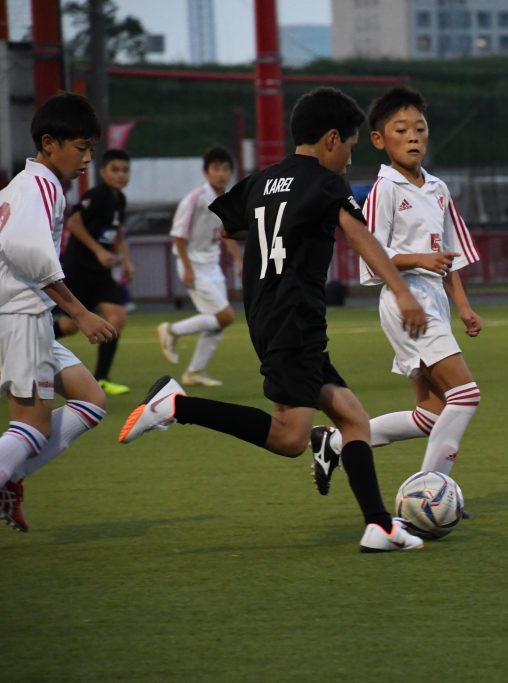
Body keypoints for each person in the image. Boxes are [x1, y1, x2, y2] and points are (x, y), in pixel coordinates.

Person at [119, 87, 430, 553]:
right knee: (289, 437)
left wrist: (272, 224)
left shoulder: (263, 180)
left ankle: (379, 526)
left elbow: (228, 226)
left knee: (353, 419)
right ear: (331, 139)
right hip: (295, 320)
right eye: (349, 145)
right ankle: (177, 406)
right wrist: (403, 292)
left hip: (268, 316)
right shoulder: (327, 184)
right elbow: (359, 234)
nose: (349, 157)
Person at [310, 86, 482, 499]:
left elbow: (449, 255)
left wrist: (463, 306)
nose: (413, 137)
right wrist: (418, 259)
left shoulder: (438, 189)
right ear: (378, 140)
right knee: (466, 395)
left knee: (431, 414)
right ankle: (429, 492)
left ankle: (331, 443)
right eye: (401, 130)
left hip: (434, 302)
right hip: (406, 301)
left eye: (420, 129)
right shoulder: (383, 189)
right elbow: (372, 260)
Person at [0, 92, 117, 532]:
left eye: (91, 149)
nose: (87, 159)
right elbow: (26, 251)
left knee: (91, 399)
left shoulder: (21, 185)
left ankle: (11, 475)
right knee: (31, 425)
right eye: (81, 148)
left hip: (27, 316)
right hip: (21, 315)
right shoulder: (42, 186)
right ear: (49, 143)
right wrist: (81, 313)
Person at [156, 146, 243, 387]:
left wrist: (238, 261)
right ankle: (172, 330)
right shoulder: (195, 198)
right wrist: (187, 267)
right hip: (193, 263)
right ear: (206, 172)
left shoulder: (226, 200)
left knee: (216, 323)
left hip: (212, 265)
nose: (222, 174)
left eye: (226, 169)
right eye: (216, 169)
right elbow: (178, 235)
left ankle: (194, 372)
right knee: (225, 316)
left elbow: (228, 233)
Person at [55, 148, 134, 393]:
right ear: (103, 172)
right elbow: (74, 222)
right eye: (115, 170)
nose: (121, 175)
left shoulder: (119, 199)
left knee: (117, 317)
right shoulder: (97, 195)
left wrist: (126, 260)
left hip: (100, 274)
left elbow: (116, 231)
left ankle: (102, 377)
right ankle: (17, 344)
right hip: (79, 269)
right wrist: (98, 250)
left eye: (125, 170)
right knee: (68, 326)